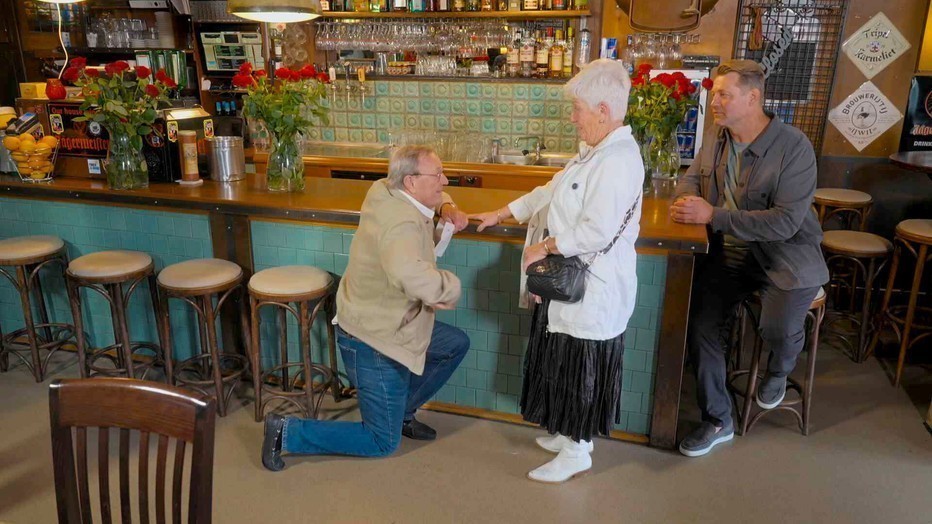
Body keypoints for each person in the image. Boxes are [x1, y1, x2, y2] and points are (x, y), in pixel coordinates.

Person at [471, 59, 643, 483]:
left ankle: (578, 448)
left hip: (595, 288)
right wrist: (500, 213)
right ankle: (567, 433)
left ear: (603, 110)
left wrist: (542, 247)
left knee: (582, 362)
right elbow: (548, 191)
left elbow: (597, 230)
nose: (573, 118)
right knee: (563, 358)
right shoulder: (593, 154)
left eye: (578, 109)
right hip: (574, 284)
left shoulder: (618, 160)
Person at [261, 145, 471, 471]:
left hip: (390, 319)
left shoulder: (384, 189)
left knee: (453, 344)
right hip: (371, 337)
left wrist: (445, 204)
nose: (444, 179)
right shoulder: (401, 223)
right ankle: (286, 433)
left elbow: (428, 202)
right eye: (438, 175)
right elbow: (406, 271)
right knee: (380, 441)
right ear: (412, 182)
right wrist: (449, 288)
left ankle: (400, 412)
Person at [670, 60, 828, 457]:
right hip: (731, 252)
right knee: (702, 323)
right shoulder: (717, 138)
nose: (715, 101)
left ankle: (780, 368)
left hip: (786, 256)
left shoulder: (793, 146)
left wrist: (714, 215)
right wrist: (685, 199)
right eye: (714, 93)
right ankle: (718, 419)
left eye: (724, 93)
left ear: (753, 97)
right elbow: (692, 177)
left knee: (776, 328)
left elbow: (786, 223)